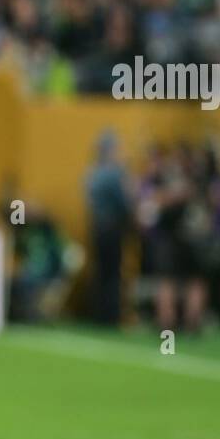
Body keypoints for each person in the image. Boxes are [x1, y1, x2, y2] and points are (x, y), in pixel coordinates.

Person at [84, 130, 129, 325]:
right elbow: (124, 202)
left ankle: (99, 313)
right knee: (112, 273)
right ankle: (111, 315)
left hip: (97, 227)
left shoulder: (92, 172)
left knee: (101, 272)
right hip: (112, 227)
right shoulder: (114, 173)